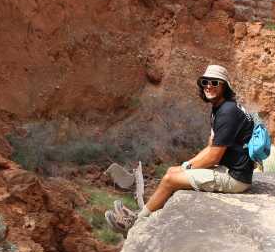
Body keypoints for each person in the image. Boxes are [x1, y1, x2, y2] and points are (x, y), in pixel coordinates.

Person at [105, 65, 254, 234]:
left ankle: (136, 223)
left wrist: (186, 168)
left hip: (235, 178)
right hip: (230, 169)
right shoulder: (221, 108)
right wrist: (186, 165)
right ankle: (145, 212)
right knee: (172, 171)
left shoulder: (227, 112)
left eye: (215, 82)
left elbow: (213, 157)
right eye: (205, 82)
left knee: (170, 180)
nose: (208, 86)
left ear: (224, 86)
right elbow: (211, 146)